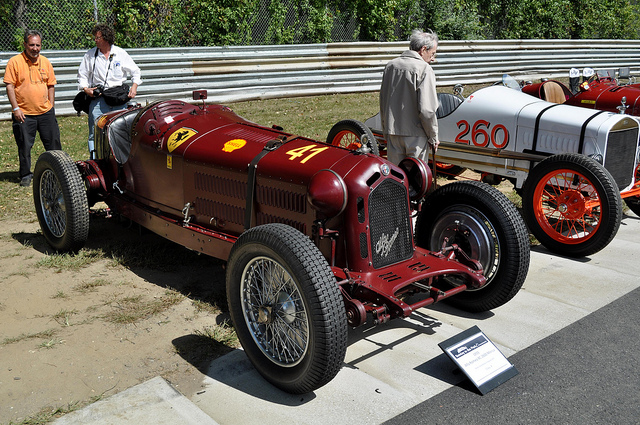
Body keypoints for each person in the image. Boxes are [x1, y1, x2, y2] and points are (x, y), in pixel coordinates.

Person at [4, 30, 61, 187]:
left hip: (45, 112)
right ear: (25, 45)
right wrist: (16, 109)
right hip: (24, 114)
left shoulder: (45, 62)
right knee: (24, 145)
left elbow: (51, 85)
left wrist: (51, 106)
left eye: (38, 45)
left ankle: (58, 171)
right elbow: (10, 86)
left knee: (54, 144)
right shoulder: (14, 62)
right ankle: (26, 174)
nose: (35, 48)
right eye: (32, 45)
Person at [77, 23, 141, 158]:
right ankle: (95, 160)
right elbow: (82, 75)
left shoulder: (120, 53)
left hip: (118, 98)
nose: (95, 40)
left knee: (120, 130)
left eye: (98, 37)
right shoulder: (90, 55)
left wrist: (134, 86)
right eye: (95, 37)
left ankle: (119, 159)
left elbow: (135, 71)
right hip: (99, 99)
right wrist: (85, 89)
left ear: (106, 38)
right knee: (95, 132)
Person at [379, 29, 440, 165]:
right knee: (416, 178)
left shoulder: (390, 66)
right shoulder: (424, 69)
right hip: (416, 135)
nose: (433, 58)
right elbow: (427, 110)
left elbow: (383, 101)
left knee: (397, 177)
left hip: (392, 133)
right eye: (432, 54)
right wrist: (433, 136)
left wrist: (386, 131)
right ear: (423, 49)